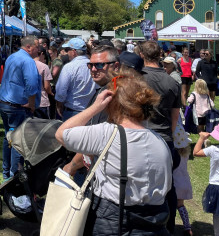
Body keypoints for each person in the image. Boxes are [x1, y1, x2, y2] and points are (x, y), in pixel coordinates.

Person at [55, 69, 171, 235]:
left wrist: (95, 107)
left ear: (113, 103)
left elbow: (61, 134)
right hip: (155, 221)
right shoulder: (159, 141)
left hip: (113, 221)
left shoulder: (106, 134)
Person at [140, 40, 182, 234]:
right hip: (165, 137)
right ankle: (169, 225)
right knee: (168, 185)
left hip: (142, 136)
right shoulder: (172, 82)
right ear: (160, 56)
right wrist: (170, 136)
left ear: (141, 55)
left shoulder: (137, 78)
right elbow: (175, 116)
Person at [62, 45, 120, 182]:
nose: (93, 70)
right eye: (91, 65)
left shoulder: (111, 94)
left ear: (115, 66)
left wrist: (71, 167)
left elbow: (97, 141)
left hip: (106, 173)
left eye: (100, 65)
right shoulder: (107, 89)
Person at [0, 35, 41, 179]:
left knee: (8, 137)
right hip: (17, 106)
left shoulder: (12, 57)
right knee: (18, 142)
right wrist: (32, 104)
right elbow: (32, 85)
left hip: (5, 103)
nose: (39, 49)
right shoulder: (28, 61)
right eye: (37, 46)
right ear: (29, 47)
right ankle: (14, 175)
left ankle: (6, 172)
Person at [55, 38, 96, 121]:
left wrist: (59, 105)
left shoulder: (69, 67)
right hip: (91, 112)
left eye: (67, 50)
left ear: (73, 51)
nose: (66, 53)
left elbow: (61, 91)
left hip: (73, 112)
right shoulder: (94, 65)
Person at [172, 115, 194, 236]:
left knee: (169, 205)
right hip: (183, 182)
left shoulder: (172, 155)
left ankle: (168, 224)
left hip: (174, 182)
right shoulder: (185, 154)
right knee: (180, 205)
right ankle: (187, 226)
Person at [33, 47, 53, 119]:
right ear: (42, 54)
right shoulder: (44, 67)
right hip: (42, 102)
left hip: (28, 101)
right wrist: (51, 93)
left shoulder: (26, 64)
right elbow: (47, 86)